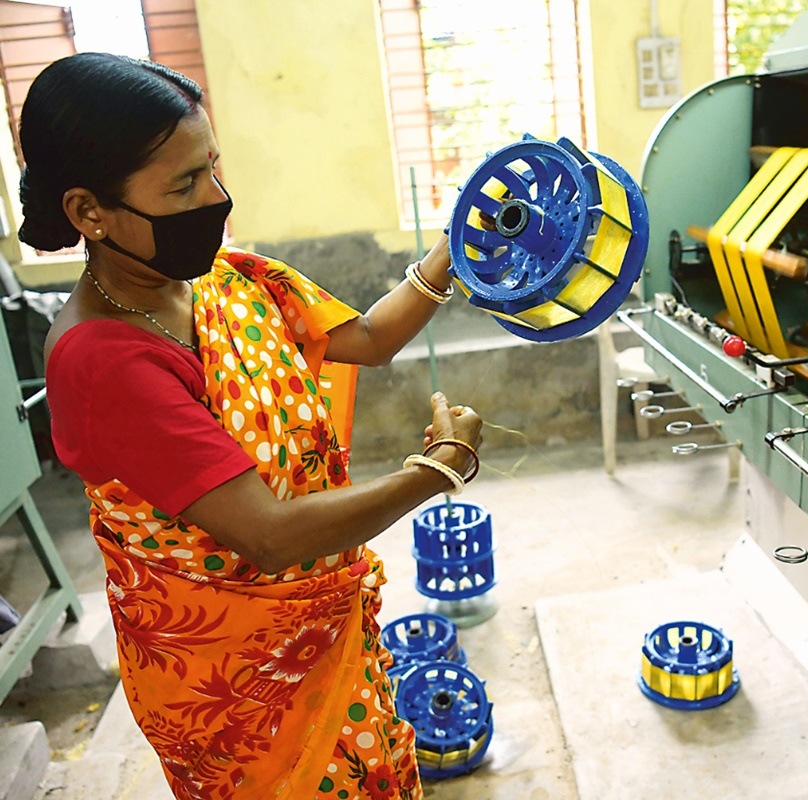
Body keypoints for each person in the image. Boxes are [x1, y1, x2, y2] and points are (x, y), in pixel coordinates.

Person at [25, 53, 483, 800]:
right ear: (88, 212)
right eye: (184, 185)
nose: (218, 199)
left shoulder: (221, 278)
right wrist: (436, 471)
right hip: (240, 691)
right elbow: (267, 536)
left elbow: (365, 338)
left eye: (212, 167)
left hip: (328, 635)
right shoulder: (102, 361)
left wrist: (456, 248)